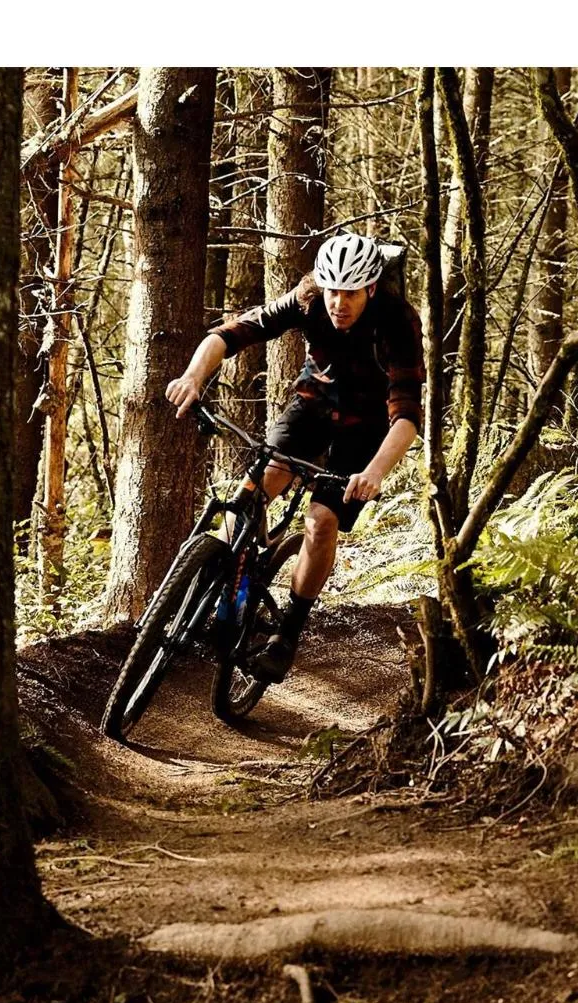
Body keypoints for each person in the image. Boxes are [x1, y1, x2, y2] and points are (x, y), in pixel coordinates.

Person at [164, 232, 425, 683]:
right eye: (332, 290)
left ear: (371, 288)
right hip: (313, 406)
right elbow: (230, 334)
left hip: (366, 428)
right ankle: (213, 587)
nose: (338, 303)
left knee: (321, 521)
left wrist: (374, 472)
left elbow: (406, 416)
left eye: (350, 293)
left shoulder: (398, 321)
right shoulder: (308, 299)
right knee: (253, 491)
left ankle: (287, 633)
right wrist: (192, 377)